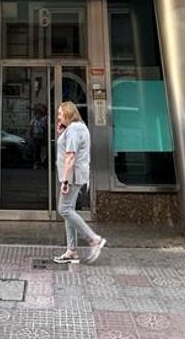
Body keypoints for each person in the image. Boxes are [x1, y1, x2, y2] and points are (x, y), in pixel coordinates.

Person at [53, 101, 106, 265]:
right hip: (78, 175)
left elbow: (70, 157)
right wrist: (63, 131)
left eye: (61, 114)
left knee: (64, 209)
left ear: (69, 114)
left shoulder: (74, 130)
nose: (58, 116)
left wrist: (66, 181)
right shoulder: (80, 127)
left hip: (73, 176)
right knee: (69, 211)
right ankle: (71, 251)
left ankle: (94, 239)